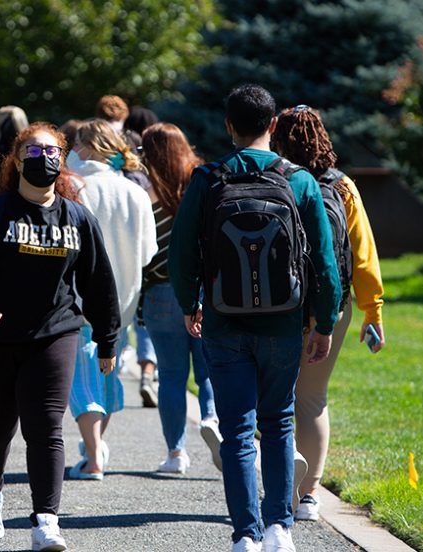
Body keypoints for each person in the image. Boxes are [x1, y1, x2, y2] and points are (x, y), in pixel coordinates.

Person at [169, 84, 341, 552]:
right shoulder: (300, 180)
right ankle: (278, 528)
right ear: (272, 126)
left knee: (238, 429)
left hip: (224, 323)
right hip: (283, 324)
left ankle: (245, 534)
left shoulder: (207, 179)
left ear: (229, 127)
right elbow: (324, 262)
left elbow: (181, 252)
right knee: (279, 422)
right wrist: (323, 323)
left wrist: (190, 304)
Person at [0, 122, 120, 551]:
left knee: (46, 427)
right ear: (16, 158)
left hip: (54, 335)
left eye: (52, 152)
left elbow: (100, 283)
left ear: (62, 160)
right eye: (33, 151)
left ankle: (46, 520)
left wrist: (108, 338)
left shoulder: (77, 217)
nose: (43, 159)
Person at [271, 105, 386, 521]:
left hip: (277, 306)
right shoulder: (343, 187)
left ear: (276, 137)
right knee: (313, 399)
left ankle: (278, 483)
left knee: (274, 397)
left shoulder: (273, 179)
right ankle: (309, 495)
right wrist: (373, 311)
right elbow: (363, 256)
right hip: (331, 308)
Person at [65, 118, 157, 480]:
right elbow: (148, 251)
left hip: (80, 296)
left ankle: (93, 455)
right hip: (124, 298)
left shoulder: (75, 187)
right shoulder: (134, 192)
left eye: (74, 145)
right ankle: (95, 446)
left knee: (82, 378)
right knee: (108, 374)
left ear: (86, 148)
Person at [139, 122, 221, 474]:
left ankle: (175, 454)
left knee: (171, 375)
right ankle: (213, 420)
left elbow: (143, 250)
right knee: (208, 371)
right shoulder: (202, 184)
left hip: (159, 291)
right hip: (204, 291)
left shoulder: (144, 191)